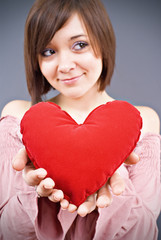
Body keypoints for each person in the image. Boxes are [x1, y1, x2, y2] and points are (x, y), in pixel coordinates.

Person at [0, 0, 160, 239]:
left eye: (79, 45)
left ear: (103, 43)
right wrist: (36, 195)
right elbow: (6, 230)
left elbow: (144, 232)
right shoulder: (18, 117)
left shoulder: (143, 120)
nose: (64, 66)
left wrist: (108, 181)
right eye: (48, 51)